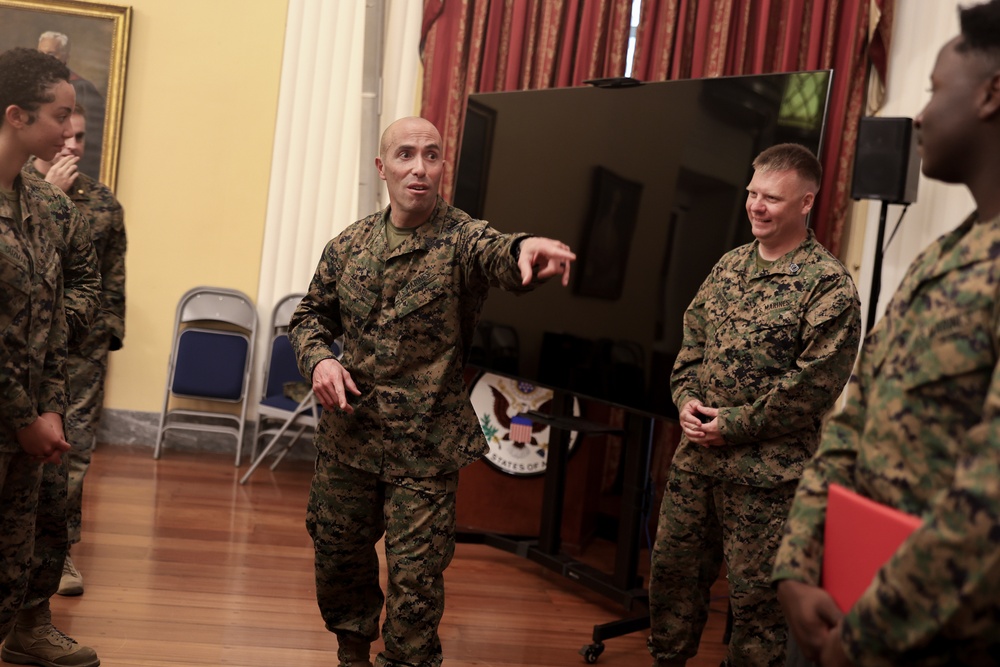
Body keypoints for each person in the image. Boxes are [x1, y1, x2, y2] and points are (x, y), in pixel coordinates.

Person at [289, 116, 577, 667]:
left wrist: (524, 250)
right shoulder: (348, 246)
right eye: (405, 155)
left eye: (432, 155)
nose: (419, 168)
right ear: (383, 168)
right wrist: (320, 359)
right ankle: (351, 654)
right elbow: (309, 317)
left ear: (443, 165)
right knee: (338, 560)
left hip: (424, 449)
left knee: (416, 587)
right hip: (349, 441)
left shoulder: (462, 238)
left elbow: (498, 251)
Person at [772, 2, 1000, 664]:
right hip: (837, 598)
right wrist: (796, 564)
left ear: (991, 95)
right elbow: (851, 421)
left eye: (934, 90)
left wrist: (868, 632)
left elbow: (988, 499)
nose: (920, 115)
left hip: (924, 637)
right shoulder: (939, 259)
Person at [646, 143, 862, 667]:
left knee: (757, 608)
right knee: (672, 580)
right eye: (752, 193)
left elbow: (814, 386)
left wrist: (735, 425)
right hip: (697, 462)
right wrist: (686, 399)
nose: (756, 206)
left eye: (772, 198)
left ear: (806, 202)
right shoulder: (729, 267)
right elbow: (691, 342)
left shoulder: (828, 285)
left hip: (766, 479)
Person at [0, 47, 101, 667]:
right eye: (60, 116)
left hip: (35, 420)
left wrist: (52, 412)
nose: (70, 131)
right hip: (12, 417)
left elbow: (55, 315)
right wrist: (23, 416)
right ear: (16, 116)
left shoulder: (46, 204)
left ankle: (24, 630)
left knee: (18, 556)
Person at [24, 103, 127, 598]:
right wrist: (51, 198)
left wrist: (104, 339)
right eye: (64, 133)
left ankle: (59, 553)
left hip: (81, 349)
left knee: (73, 453)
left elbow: (111, 278)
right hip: (22, 349)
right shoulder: (14, 188)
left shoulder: (104, 203)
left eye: (81, 137)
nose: (71, 144)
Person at [37, 31, 105, 180]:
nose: (43, 60)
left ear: (65, 56)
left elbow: (92, 141)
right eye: (40, 53)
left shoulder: (82, 88)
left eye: (50, 54)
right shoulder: (27, 86)